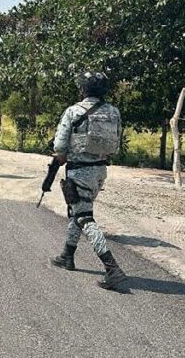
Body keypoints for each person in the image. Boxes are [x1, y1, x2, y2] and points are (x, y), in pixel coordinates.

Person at [48, 71, 127, 290]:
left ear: (83, 89)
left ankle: (112, 267)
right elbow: (116, 144)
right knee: (78, 211)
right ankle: (67, 255)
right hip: (100, 172)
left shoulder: (73, 111)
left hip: (79, 171)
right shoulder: (114, 112)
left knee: (84, 216)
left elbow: (60, 147)